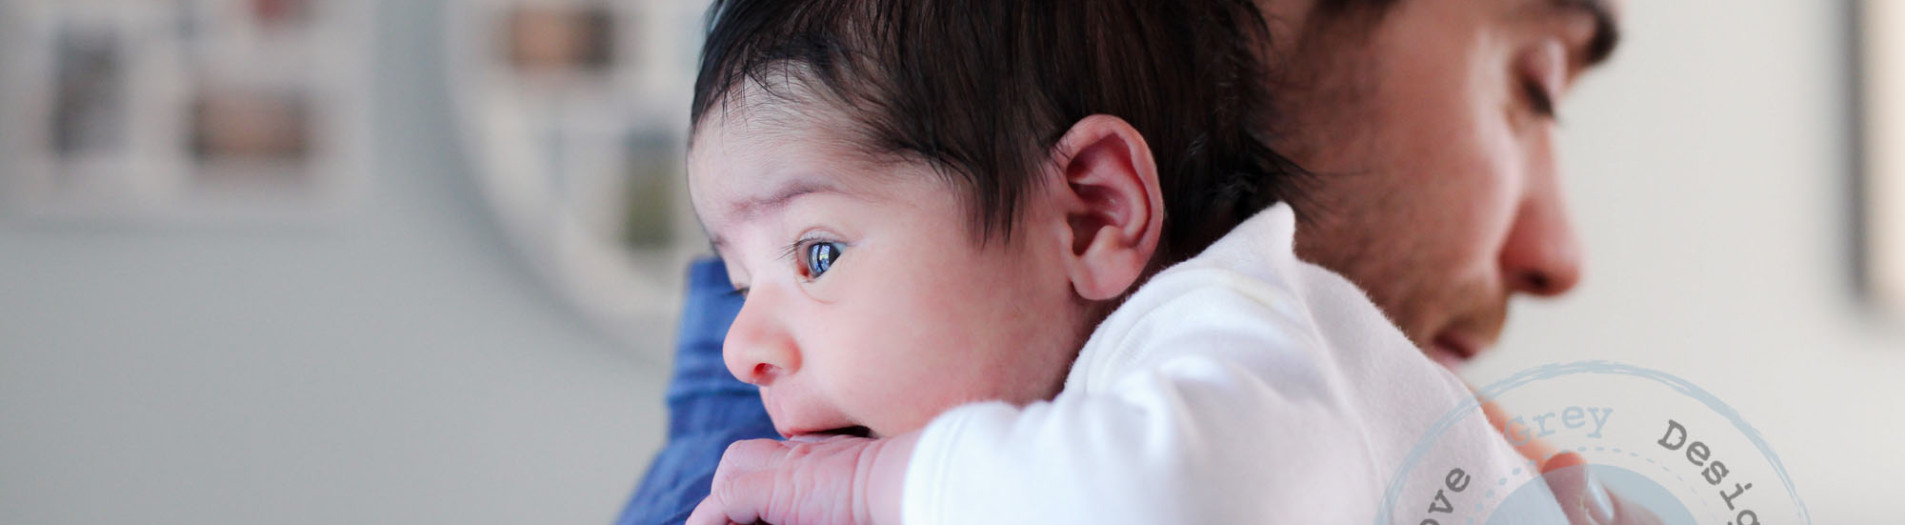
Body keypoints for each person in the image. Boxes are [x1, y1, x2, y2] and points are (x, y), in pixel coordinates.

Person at [619, 0, 1623, 523]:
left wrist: (861, 486)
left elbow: (1170, 489)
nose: (1559, 255)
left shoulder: (1223, 327)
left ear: (1095, 214)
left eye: (819, 254)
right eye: (1534, 90)